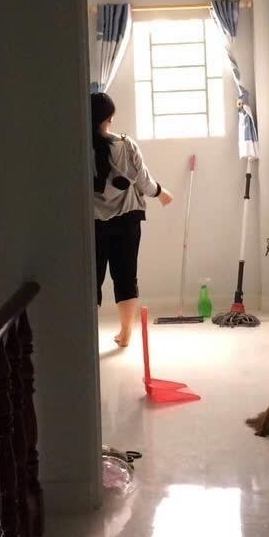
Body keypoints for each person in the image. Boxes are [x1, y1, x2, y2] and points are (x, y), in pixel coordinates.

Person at [91, 91, 173, 347]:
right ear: (109, 118)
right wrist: (161, 193)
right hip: (126, 221)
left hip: (91, 224)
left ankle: (88, 338)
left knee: (90, 280)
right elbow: (144, 182)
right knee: (126, 277)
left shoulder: (77, 147)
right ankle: (125, 333)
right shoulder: (126, 145)